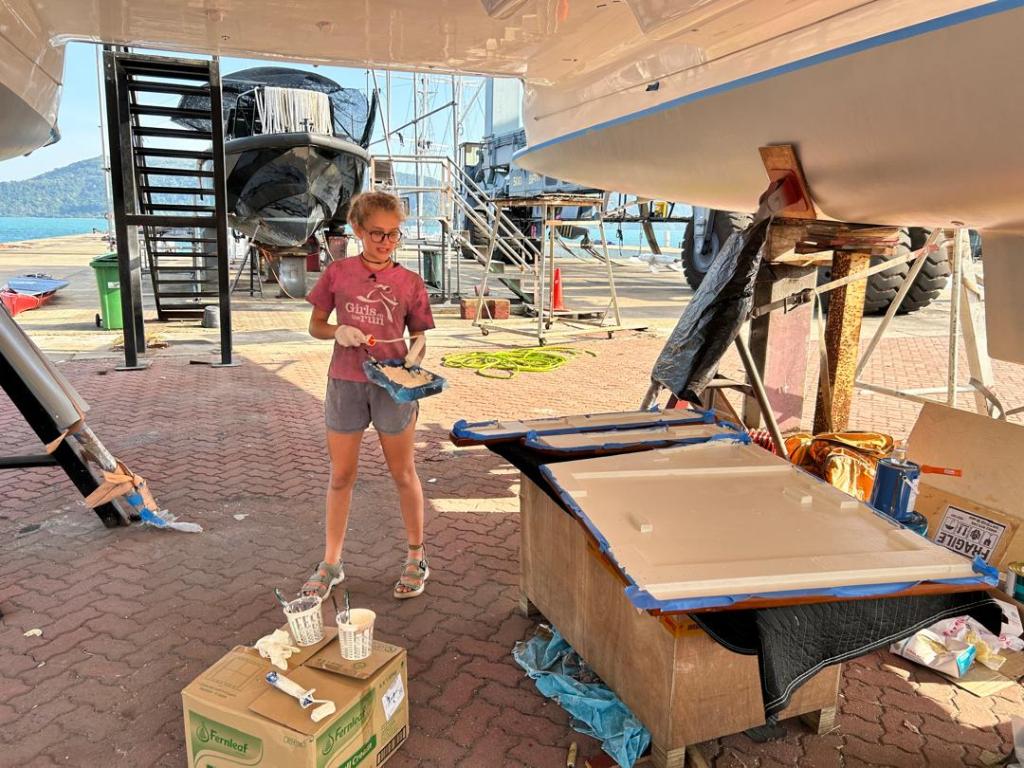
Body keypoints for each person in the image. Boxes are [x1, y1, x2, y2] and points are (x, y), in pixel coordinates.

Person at [301, 191, 434, 600]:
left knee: (403, 472)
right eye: (377, 233)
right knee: (341, 476)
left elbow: (420, 336)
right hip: (346, 382)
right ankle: (331, 563)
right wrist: (337, 331)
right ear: (358, 230)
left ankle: (416, 556)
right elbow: (316, 325)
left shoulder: (410, 282)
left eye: (394, 234)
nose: (386, 242)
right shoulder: (338, 273)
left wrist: (414, 356)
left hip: (394, 385)